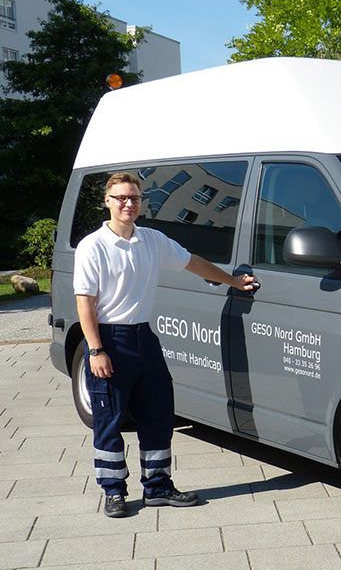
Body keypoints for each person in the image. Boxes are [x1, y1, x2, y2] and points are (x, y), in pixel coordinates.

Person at [74, 172, 256, 518]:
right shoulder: (93, 246)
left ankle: (157, 486)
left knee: (158, 415)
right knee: (110, 421)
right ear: (108, 202)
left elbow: (193, 263)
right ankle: (114, 492)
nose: (129, 204)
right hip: (109, 339)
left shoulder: (152, 241)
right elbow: (85, 303)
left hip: (144, 338)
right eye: (122, 198)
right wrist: (95, 350)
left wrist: (231, 281)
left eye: (135, 198)